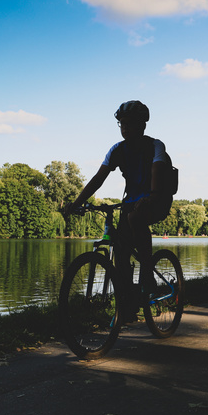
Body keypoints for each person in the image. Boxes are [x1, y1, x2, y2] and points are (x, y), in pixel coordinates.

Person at [64, 100, 174, 321]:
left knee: (136, 218)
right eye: (122, 124)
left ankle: (147, 275)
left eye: (130, 123)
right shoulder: (117, 150)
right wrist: (76, 203)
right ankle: (128, 303)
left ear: (142, 125)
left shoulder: (156, 146)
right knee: (121, 252)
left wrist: (151, 196)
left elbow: (157, 171)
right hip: (131, 202)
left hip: (158, 199)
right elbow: (98, 179)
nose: (125, 128)